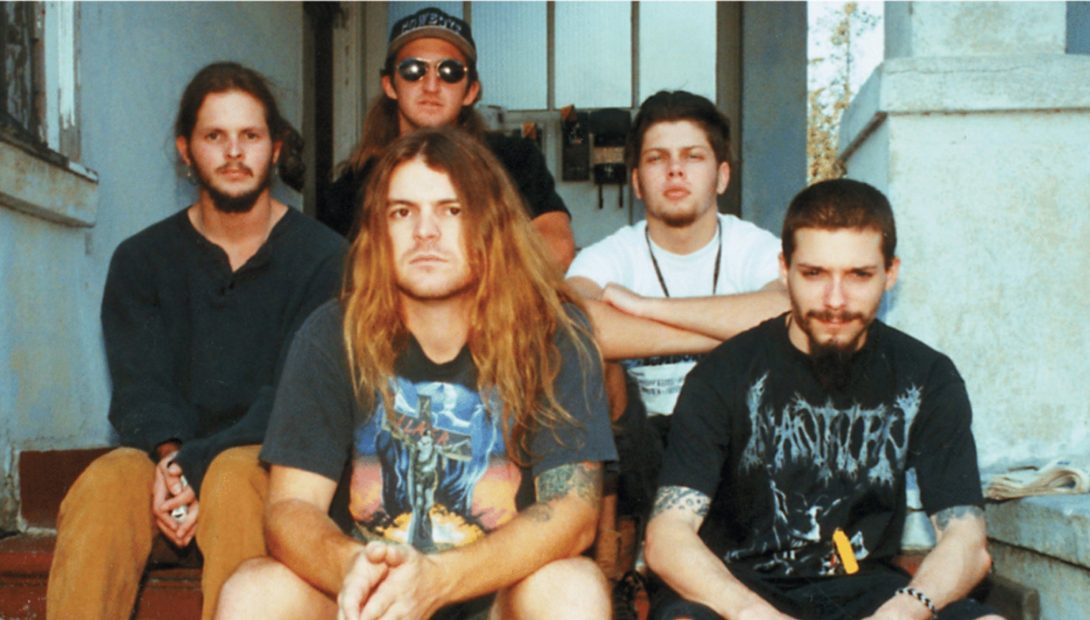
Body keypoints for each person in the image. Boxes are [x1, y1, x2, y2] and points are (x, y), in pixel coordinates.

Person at [215, 128, 616, 619]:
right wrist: (353, 567)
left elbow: (573, 512)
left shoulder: (552, 332)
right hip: (370, 599)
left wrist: (439, 581)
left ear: (491, 224)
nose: (426, 231)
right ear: (378, 232)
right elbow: (290, 508)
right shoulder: (332, 333)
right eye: (402, 212)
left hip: (497, 598)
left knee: (572, 586)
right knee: (255, 590)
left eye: (451, 210)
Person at [45, 62, 346, 620]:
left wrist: (191, 467)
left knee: (234, 476)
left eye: (250, 135)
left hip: (265, 467)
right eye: (214, 136)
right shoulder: (141, 260)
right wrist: (171, 461)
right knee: (104, 482)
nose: (234, 152)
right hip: (169, 469)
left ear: (276, 149)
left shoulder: (326, 259)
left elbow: (294, 400)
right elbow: (141, 388)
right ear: (186, 150)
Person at [645, 179, 999, 620]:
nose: (835, 300)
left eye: (859, 275)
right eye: (814, 274)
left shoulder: (925, 377)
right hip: (737, 591)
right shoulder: (723, 373)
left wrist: (905, 611)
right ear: (784, 269)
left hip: (869, 592)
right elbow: (668, 537)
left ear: (890, 273)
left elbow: (967, 541)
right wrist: (754, 614)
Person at [567, 90, 789, 519]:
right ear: (636, 181)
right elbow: (572, 323)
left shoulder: (754, 246)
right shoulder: (610, 254)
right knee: (593, 367)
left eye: (693, 156)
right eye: (657, 158)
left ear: (721, 176)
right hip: (641, 451)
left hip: (736, 442)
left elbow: (789, 312)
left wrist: (645, 308)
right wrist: (724, 333)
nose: (674, 170)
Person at [320, 6, 576, 270]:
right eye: (413, 69)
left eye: (450, 71)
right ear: (389, 85)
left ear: (471, 91)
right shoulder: (353, 185)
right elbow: (338, 274)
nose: (431, 86)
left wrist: (458, 282)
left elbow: (557, 249)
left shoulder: (514, 159)